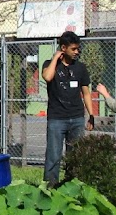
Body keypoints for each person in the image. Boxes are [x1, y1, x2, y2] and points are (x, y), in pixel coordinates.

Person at [41, 31, 96, 186]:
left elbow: (86, 93)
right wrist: (55, 59)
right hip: (57, 118)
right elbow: (47, 77)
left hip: (77, 117)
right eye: (73, 49)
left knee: (76, 155)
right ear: (63, 48)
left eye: (78, 49)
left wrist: (91, 115)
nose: (77, 52)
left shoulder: (81, 68)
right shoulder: (49, 64)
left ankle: (73, 184)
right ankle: (50, 187)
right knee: (54, 155)